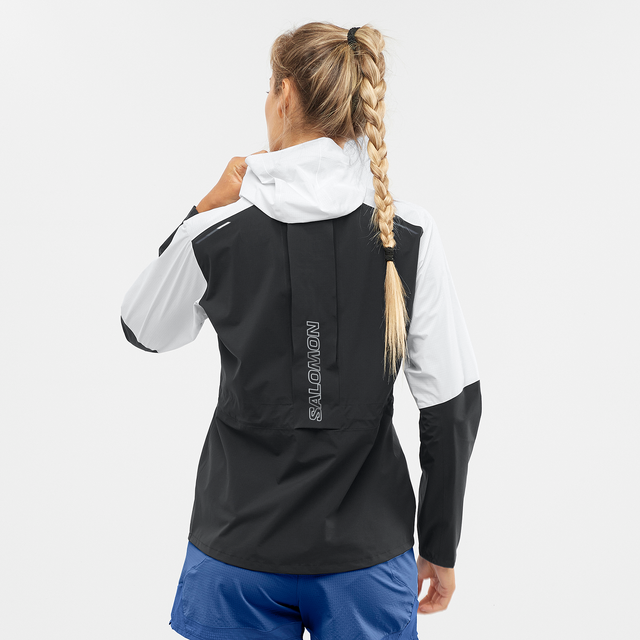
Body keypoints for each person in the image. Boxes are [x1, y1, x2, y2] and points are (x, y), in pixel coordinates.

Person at [120, 21, 482, 640]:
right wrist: (440, 544)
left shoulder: (217, 232)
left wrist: (202, 207)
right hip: (367, 560)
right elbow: (452, 406)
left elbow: (143, 328)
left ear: (284, 94)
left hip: (236, 550)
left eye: (268, 89)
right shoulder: (408, 236)